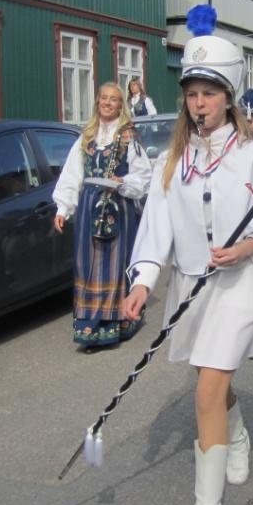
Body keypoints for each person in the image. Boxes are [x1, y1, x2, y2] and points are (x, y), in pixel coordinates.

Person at [122, 5, 253, 505]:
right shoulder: (171, 161)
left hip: (240, 286)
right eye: (192, 93)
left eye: (209, 92)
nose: (199, 102)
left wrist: (247, 246)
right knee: (213, 385)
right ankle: (239, 433)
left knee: (204, 393)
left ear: (229, 98)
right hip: (193, 288)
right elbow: (156, 230)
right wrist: (144, 281)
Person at [53, 81, 152, 348]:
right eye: (104, 98)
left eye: (114, 99)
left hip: (118, 206)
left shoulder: (129, 136)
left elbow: (142, 176)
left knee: (115, 265)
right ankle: (90, 325)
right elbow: (73, 174)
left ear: (121, 105)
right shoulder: (87, 136)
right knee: (90, 265)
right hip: (89, 207)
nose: (107, 103)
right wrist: (63, 207)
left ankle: (118, 321)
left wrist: (124, 183)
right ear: (98, 102)